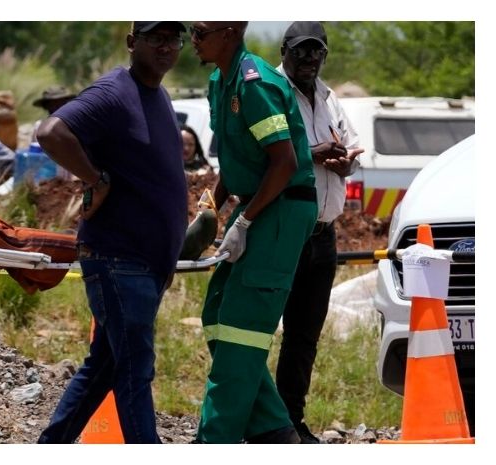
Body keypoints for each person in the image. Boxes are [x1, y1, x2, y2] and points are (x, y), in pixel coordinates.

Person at [35, 21, 188, 444]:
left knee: (104, 366)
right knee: (135, 369)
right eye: (155, 37)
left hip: (144, 263)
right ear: (131, 43)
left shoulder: (157, 96)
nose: (166, 46)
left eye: (174, 38)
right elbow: (50, 132)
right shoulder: (114, 92)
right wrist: (95, 178)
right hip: (120, 261)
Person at [189, 21, 318, 444]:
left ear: (228, 32)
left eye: (200, 30)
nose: (192, 37)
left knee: (243, 331)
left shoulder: (254, 84)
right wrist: (213, 207)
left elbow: (282, 163)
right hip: (256, 204)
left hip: (279, 210)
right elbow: (238, 158)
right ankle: (274, 432)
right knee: (217, 315)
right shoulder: (218, 81)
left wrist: (243, 222)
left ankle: (214, 441)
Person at [274, 21, 364, 444]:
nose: (310, 59)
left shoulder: (329, 98)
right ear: (285, 50)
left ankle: (290, 423)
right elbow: (268, 157)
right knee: (254, 333)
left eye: (317, 52)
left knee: (303, 337)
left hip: (323, 235)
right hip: (283, 232)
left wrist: (347, 161)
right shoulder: (271, 91)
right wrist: (313, 155)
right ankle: (258, 422)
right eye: (302, 51)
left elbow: (351, 145)